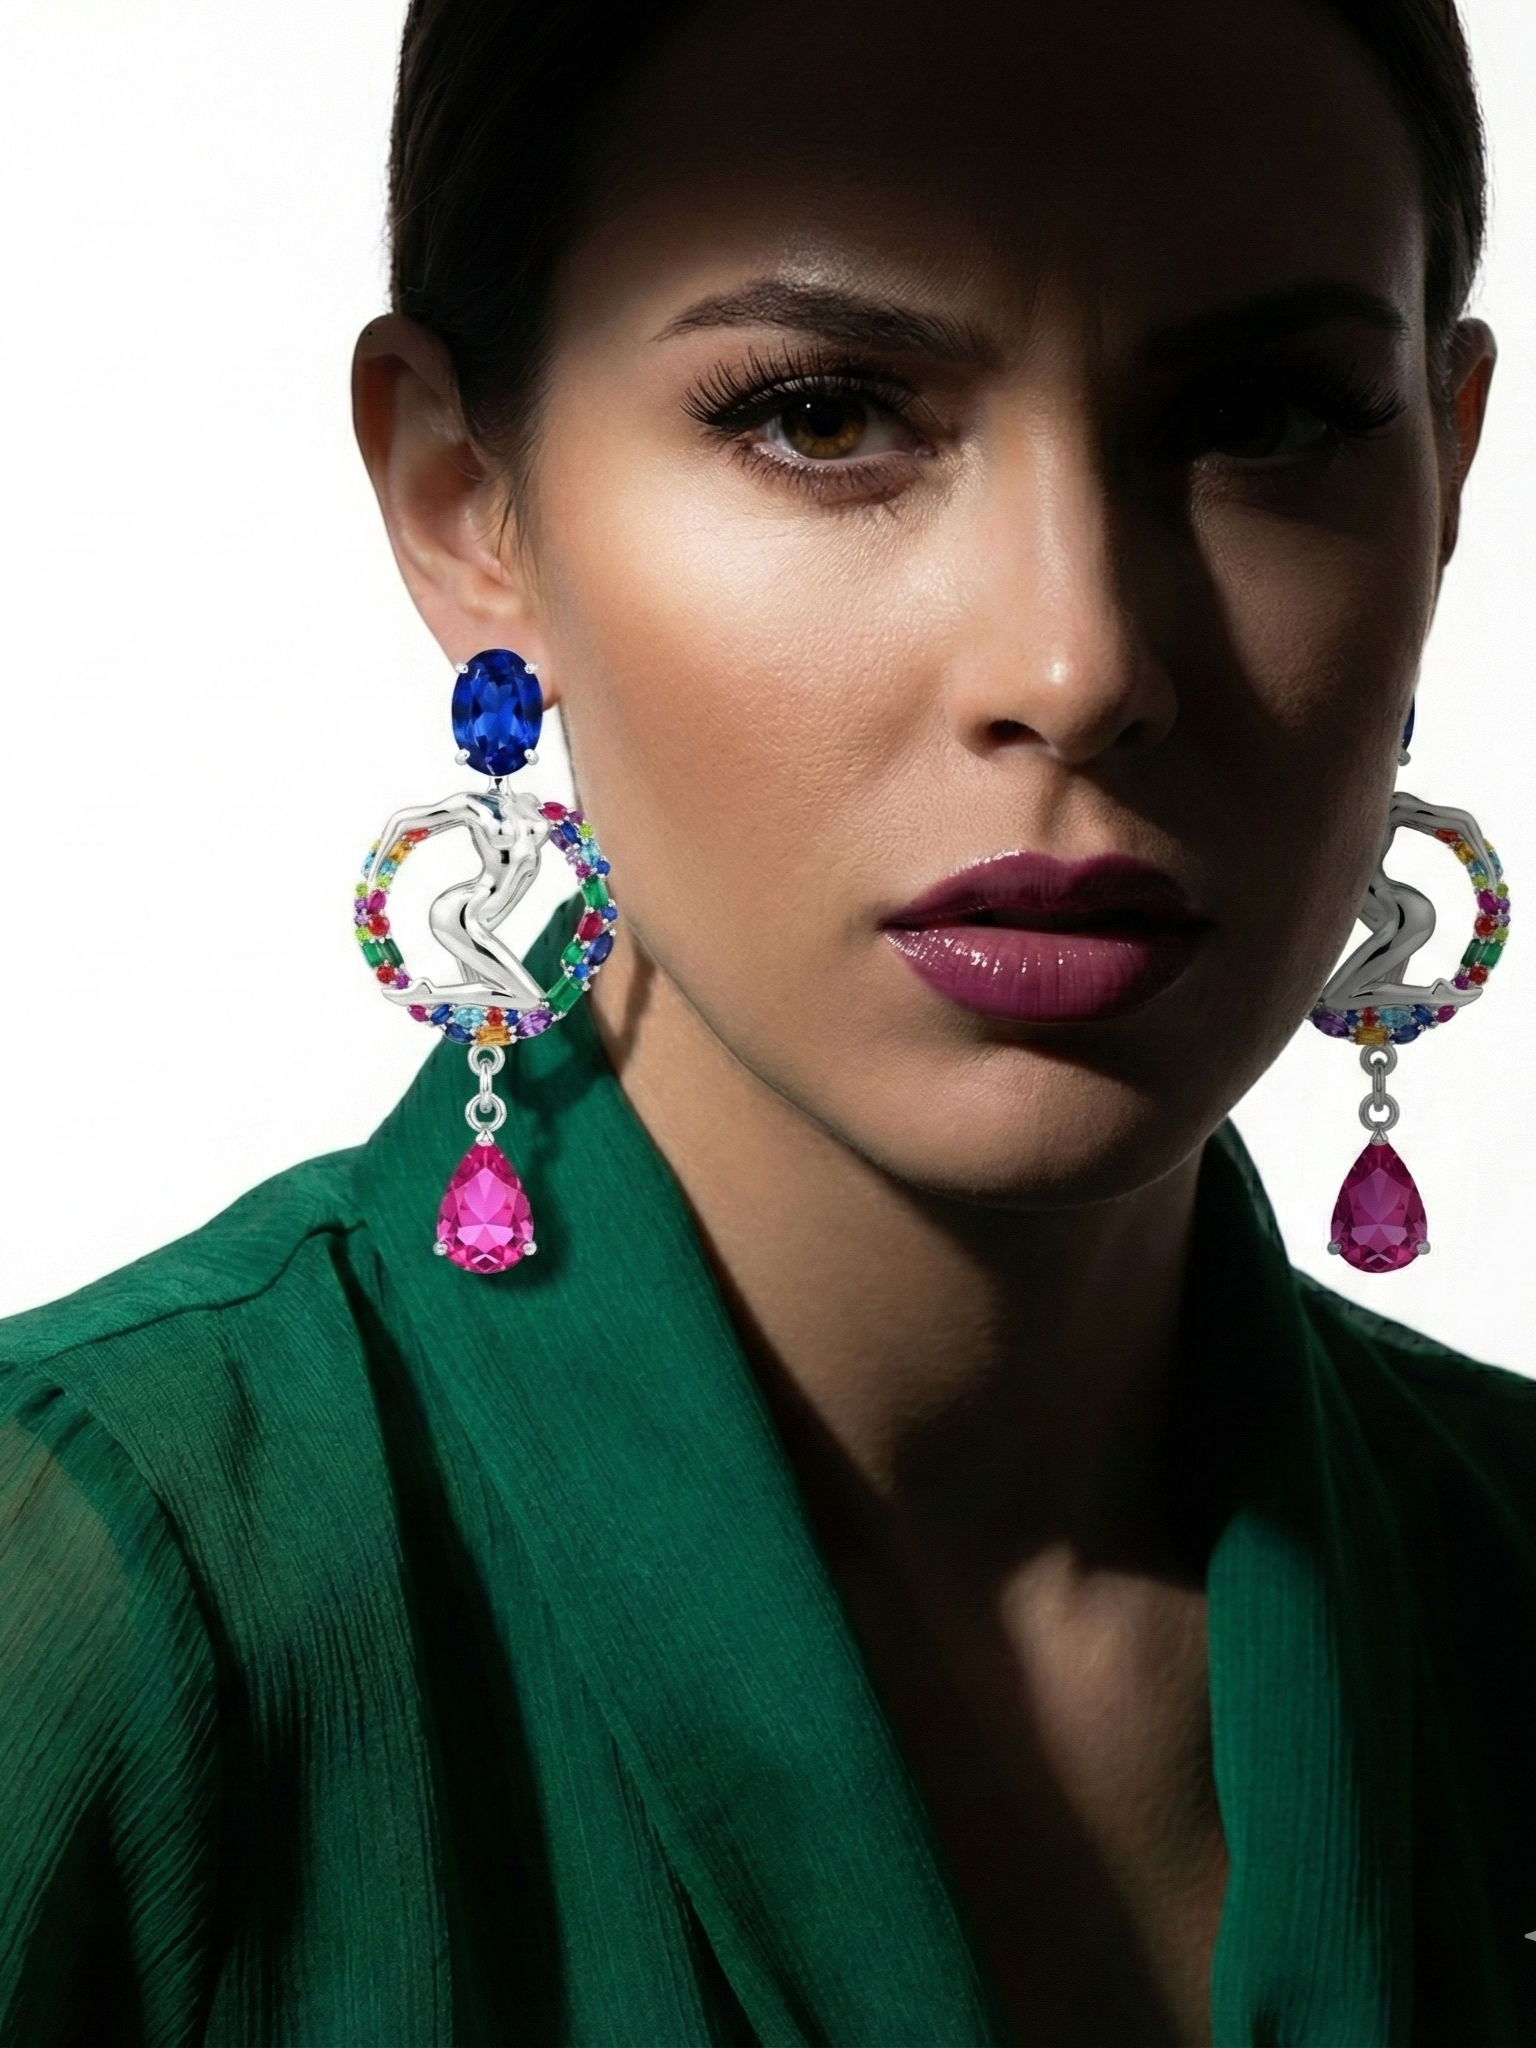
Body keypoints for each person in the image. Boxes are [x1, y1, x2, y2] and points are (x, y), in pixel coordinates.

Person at [2, 0, 1532, 2040]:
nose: (1078, 664)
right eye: (825, 413)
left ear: (1441, 476)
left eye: (1263, 416)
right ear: (470, 498)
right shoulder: (97, 1607)